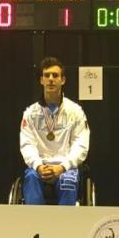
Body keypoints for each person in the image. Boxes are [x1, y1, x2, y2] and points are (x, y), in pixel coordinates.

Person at [20, 57, 90, 205]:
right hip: (39, 167)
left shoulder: (75, 111)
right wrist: (38, 166)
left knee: (68, 181)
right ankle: (36, 227)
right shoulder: (30, 113)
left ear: (63, 80)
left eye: (55, 75)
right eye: (47, 75)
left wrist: (63, 167)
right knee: (31, 178)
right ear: (41, 80)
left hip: (66, 167)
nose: (51, 79)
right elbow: (27, 145)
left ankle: (65, 227)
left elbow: (81, 145)